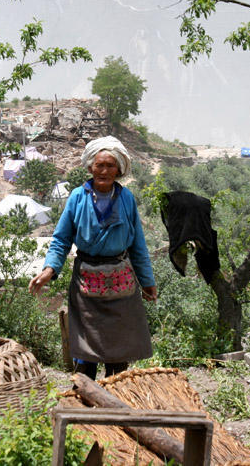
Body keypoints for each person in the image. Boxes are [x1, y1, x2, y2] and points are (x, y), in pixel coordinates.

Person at [28, 136, 157, 380]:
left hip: (121, 285)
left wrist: (147, 281)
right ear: (90, 167)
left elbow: (138, 245)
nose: (104, 171)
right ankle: (85, 403)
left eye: (110, 166)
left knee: (118, 355)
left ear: (118, 170)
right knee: (86, 353)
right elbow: (61, 240)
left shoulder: (127, 198)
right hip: (86, 285)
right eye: (99, 165)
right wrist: (49, 270)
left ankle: (116, 402)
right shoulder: (78, 197)